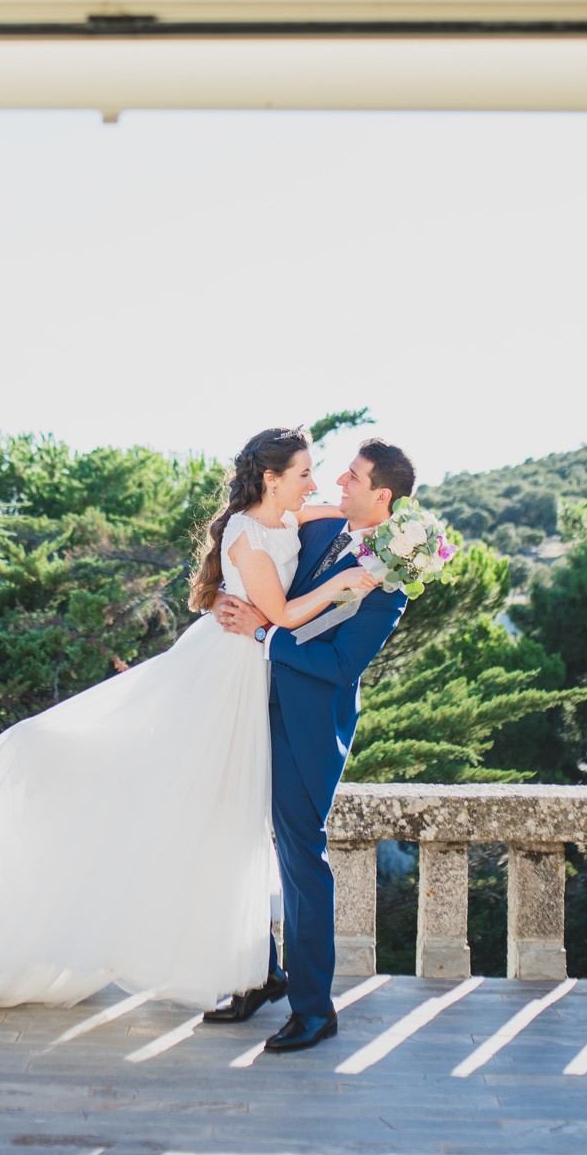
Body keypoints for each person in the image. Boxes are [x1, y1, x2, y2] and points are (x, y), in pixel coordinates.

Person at [0, 426, 378, 1020]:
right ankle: (252, 972)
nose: (318, 482)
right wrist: (339, 584)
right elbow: (274, 616)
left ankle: (257, 972)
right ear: (272, 478)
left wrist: (405, 532)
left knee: (230, 822)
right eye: (305, 472)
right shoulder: (247, 532)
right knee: (185, 810)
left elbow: (358, 513)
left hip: (251, 679)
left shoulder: (292, 516)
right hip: (222, 672)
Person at [204, 439, 415, 1053]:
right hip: (248, 703)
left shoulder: (390, 581)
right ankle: (258, 974)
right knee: (237, 835)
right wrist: (228, 599)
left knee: (301, 858)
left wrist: (265, 634)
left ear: (383, 495)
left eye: (352, 477)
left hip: (309, 725)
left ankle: (316, 1009)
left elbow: (341, 662)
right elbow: (261, 566)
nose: (337, 484)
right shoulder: (323, 532)